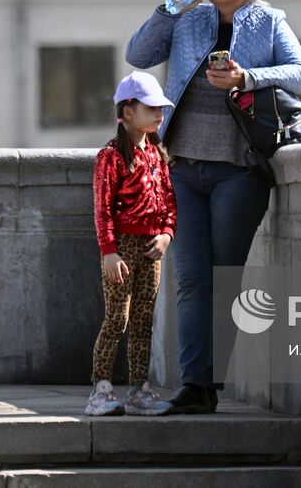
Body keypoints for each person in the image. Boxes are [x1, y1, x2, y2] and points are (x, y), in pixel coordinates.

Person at [125, 0, 301, 414]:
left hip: (239, 170)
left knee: (223, 277)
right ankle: (195, 386)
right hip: (182, 167)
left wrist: (245, 77)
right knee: (190, 278)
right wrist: (169, 7)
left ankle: (212, 381)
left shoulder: (269, 22)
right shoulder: (189, 18)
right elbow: (138, 54)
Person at [86, 71, 178, 417]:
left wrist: (166, 234)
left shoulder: (156, 154)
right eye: (151, 108)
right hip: (121, 248)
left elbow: (169, 200)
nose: (159, 114)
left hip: (150, 247)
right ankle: (101, 388)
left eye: (160, 109)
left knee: (143, 320)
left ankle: (140, 390)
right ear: (127, 111)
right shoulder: (110, 157)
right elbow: (102, 209)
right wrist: (109, 251)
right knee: (116, 319)